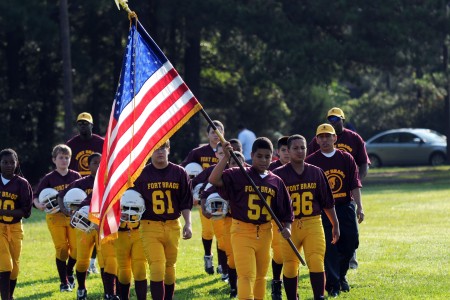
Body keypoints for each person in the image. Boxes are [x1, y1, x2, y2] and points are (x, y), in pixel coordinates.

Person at [209, 137, 294, 300]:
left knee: (261, 277)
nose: (263, 160)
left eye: (267, 156)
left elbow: (286, 210)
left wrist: (288, 227)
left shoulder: (276, 181)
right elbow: (213, 179)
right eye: (259, 156)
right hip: (242, 231)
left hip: (265, 232)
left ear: (273, 156)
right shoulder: (239, 174)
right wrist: (226, 157)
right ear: (251, 155)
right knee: (246, 275)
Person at [273, 135, 340, 300]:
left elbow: (327, 202)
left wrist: (335, 224)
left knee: (317, 260)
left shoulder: (316, 172)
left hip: (313, 222)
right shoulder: (278, 175)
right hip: (289, 225)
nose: (299, 151)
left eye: (302, 147)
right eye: (295, 148)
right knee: (290, 266)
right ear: (287, 151)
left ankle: (319, 297)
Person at [305, 124, 364, 297]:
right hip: (323, 210)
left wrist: (360, 207)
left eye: (327, 136)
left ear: (335, 138)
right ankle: (333, 285)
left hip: (345, 206)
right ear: (316, 140)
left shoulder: (346, 158)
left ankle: (341, 275)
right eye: (321, 137)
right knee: (330, 248)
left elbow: (354, 184)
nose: (324, 140)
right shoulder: (311, 161)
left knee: (351, 242)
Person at [307, 107, 369, 269]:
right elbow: (309, 165)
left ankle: (348, 263)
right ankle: (335, 272)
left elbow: (363, 163)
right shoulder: (317, 142)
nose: (333, 122)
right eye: (330, 119)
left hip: (346, 195)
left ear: (343, 119)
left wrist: (356, 182)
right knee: (330, 238)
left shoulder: (354, 139)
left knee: (350, 237)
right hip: (325, 203)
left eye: (336, 119)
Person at [132, 140, 193, 300]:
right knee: (157, 266)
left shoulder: (179, 172)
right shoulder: (141, 174)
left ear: (169, 149)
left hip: (173, 225)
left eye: (163, 148)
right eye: (156, 148)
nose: (160, 152)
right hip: (150, 225)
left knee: (170, 267)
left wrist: (188, 223)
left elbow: (185, 201)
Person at [59, 153, 118, 300]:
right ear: (88, 165)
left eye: (101, 163)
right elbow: (61, 196)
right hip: (84, 227)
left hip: (103, 226)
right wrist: (68, 212)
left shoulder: (109, 183)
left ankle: (109, 292)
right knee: (83, 259)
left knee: (107, 259)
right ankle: (81, 288)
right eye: (95, 163)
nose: (98, 166)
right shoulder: (80, 183)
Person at [33, 144, 81, 292]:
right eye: (61, 157)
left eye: (67, 157)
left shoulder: (75, 176)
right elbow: (35, 196)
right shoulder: (49, 178)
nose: (64, 160)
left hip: (73, 216)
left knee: (76, 250)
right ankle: (64, 282)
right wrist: (38, 204)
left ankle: (69, 271)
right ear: (54, 160)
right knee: (61, 249)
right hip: (55, 217)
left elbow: (83, 194)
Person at [180, 120, 224, 275]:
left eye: (219, 132)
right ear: (207, 134)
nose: (216, 135)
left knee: (221, 230)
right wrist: (192, 191)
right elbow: (185, 170)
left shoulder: (226, 150)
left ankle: (222, 264)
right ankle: (207, 256)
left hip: (221, 194)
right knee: (207, 230)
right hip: (203, 195)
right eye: (213, 132)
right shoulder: (198, 152)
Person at [66, 112, 104, 274]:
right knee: (82, 225)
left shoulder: (101, 142)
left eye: (86, 123)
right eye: (80, 123)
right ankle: (82, 261)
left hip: (98, 183)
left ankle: (92, 262)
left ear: (91, 125)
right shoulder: (72, 144)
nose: (83, 125)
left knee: (97, 222)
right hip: (80, 186)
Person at [0, 148, 33, 300]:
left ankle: (9, 295)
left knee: (15, 267)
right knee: (6, 264)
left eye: (11, 162)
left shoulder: (22, 183)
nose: (8, 165)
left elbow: (26, 211)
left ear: (16, 163)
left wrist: (5, 212)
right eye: (4, 162)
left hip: (15, 227)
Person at [267, 135, 290, 299]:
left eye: (290, 149)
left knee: (291, 256)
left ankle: (291, 287)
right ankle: (276, 282)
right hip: (276, 218)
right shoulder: (272, 170)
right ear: (278, 152)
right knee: (279, 252)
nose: (288, 153)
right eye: (284, 150)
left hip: (295, 218)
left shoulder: (300, 167)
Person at [115, 191, 147, 300]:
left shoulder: (142, 182)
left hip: (139, 232)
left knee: (140, 268)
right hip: (120, 234)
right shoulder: (114, 184)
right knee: (123, 270)